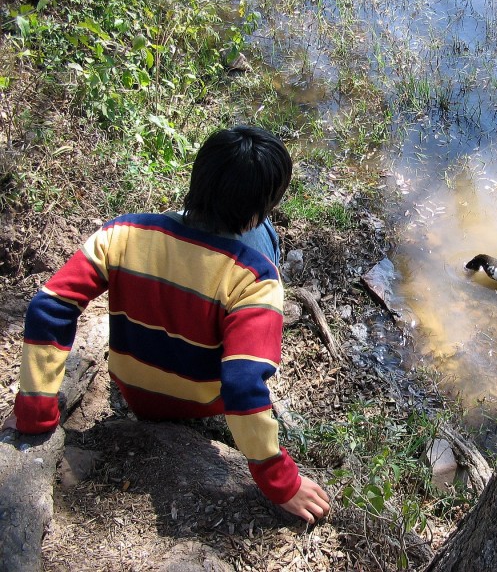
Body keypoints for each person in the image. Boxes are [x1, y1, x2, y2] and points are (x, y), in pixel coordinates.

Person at [6, 125, 330, 524]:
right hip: (200, 402)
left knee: (208, 229)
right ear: (255, 210)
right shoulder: (255, 278)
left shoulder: (122, 233)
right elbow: (243, 386)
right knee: (266, 241)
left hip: (134, 391)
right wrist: (281, 483)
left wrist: (35, 410)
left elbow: (48, 307)